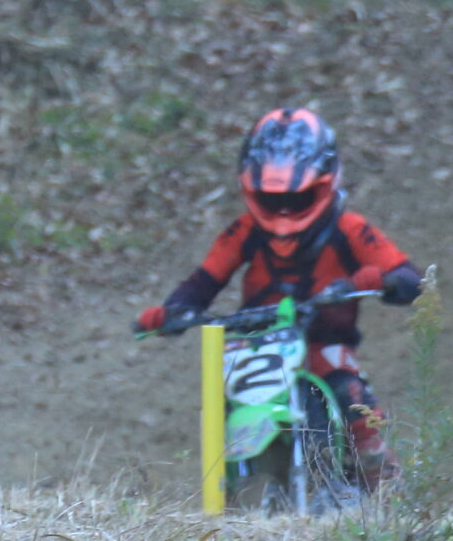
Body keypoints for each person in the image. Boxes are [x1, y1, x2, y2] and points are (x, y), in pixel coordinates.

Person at [134, 107, 424, 492]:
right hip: (255, 343)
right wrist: (175, 312)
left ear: (324, 183)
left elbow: (410, 278)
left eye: (298, 197)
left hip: (322, 342)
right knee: (223, 402)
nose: (284, 210)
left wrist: (384, 280)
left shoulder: (351, 229)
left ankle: (388, 494)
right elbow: (205, 279)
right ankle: (225, 495)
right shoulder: (244, 230)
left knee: (353, 403)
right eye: (273, 200)